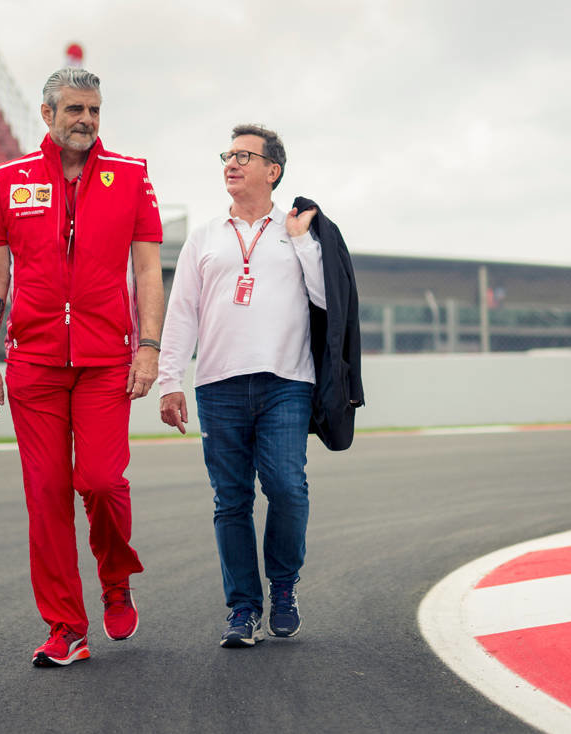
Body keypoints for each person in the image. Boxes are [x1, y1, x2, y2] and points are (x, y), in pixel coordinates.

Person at [0, 68, 164, 667]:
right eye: (75, 109)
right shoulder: (11, 181)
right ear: (48, 113)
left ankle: (115, 577)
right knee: (47, 493)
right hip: (33, 363)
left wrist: (149, 347)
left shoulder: (131, 176)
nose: (86, 119)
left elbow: (149, 272)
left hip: (108, 360)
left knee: (102, 482)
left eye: (95, 110)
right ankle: (66, 627)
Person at [158, 124, 326, 647]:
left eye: (244, 156)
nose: (231, 163)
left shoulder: (298, 229)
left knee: (286, 487)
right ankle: (242, 611)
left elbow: (326, 299)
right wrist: (170, 379)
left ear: (272, 171)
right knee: (230, 500)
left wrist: (302, 243)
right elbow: (181, 310)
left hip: (286, 381)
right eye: (227, 155)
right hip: (218, 385)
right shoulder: (205, 236)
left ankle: (283, 587)